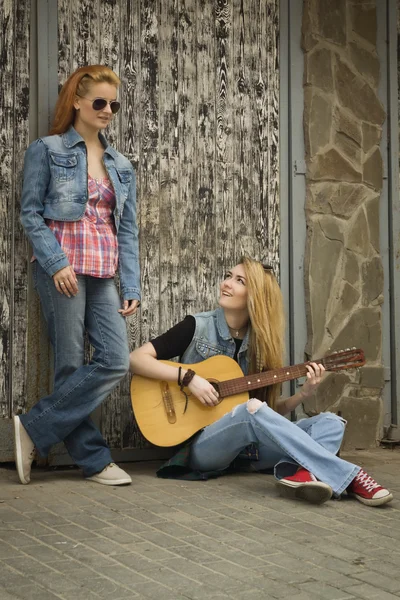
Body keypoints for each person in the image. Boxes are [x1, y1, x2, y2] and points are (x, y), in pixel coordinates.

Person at [130, 257, 393, 507]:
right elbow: (136, 359)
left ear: (255, 296)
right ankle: (352, 477)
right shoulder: (197, 326)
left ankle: (299, 474)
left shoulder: (262, 345)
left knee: (331, 422)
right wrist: (189, 378)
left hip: (250, 454)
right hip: (202, 449)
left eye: (239, 281)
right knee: (249, 409)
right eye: (228, 276)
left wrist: (302, 395)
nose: (226, 283)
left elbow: (266, 414)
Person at [15, 65, 140, 486]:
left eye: (114, 104)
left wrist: (132, 284)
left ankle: (33, 426)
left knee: (114, 360)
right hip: (62, 271)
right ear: (78, 102)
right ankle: (94, 460)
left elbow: (126, 229)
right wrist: (56, 263)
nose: (108, 110)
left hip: (103, 273)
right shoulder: (47, 149)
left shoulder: (120, 165)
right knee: (69, 365)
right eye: (100, 102)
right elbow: (30, 214)